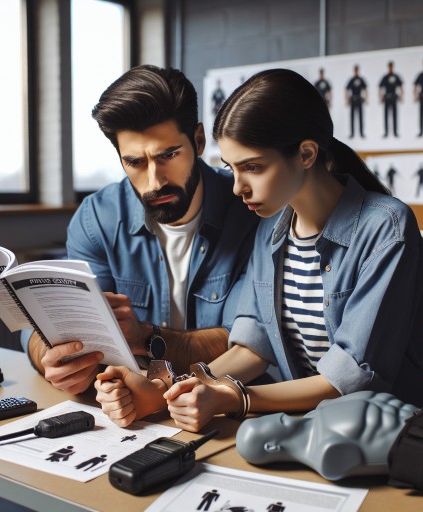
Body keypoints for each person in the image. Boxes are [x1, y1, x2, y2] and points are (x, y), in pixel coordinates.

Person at [95, 68, 423, 432]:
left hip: (392, 433)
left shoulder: (386, 227)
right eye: (231, 169)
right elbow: (253, 348)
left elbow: (351, 377)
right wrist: (163, 390)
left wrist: (237, 398)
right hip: (313, 429)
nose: (237, 188)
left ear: (306, 154)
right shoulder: (271, 229)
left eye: (253, 168)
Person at [22, 65, 259, 398]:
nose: (155, 181)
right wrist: (48, 357)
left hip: (227, 406)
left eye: (169, 155)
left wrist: (144, 336)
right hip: (131, 413)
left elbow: (248, 339)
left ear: (200, 140)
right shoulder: (98, 218)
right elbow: (58, 325)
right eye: (135, 162)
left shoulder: (252, 212)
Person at [235, 391, 419, 480]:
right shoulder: (328, 454)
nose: (266, 418)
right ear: (271, 446)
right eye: (260, 424)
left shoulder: (320, 408)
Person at [378, 61, 403, 138]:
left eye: (391, 66)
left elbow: (400, 86)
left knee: (394, 115)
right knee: (386, 116)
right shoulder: (385, 77)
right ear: (388, 67)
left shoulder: (396, 76)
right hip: (387, 98)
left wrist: (401, 96)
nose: (390, 68)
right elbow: (380, 87)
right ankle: (386, 132)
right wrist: (381, 97)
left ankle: (395, 132)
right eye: (389, 66)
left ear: (393, 67)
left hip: (394, 97)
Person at [345, 64, 367, 138]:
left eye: (357, 70)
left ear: (358, 70)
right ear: (354, 71)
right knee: (352, 117)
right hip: (353, 99)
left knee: (360, 116)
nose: (356, 71)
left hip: (359, 99)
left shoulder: (361, 79)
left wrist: (366, 98)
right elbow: (347, 89)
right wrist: (347, 99)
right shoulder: (352, 80)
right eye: (355, 70)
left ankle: (361, 133)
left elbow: (365, 89)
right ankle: (352, 133)